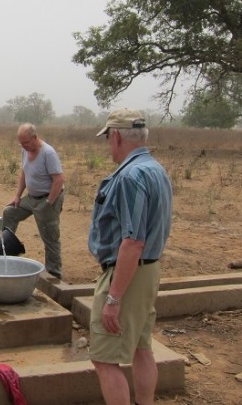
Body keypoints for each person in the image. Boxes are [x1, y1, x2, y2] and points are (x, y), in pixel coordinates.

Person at [88, 109, 173, 405]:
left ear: (117, 136)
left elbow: (133, 241)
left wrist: (113, 298)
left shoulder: (130, 176)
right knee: (141, 347)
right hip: (149, 271)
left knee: (104, 360)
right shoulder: (155, 169)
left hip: (128, 273)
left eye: (108, 138)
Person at [2, 123, 65, 279]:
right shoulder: (25, 151)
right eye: (21, 143)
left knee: (49, 235)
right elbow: (24, 174)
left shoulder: (48, 153)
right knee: (9, 213)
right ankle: (6, 253)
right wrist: (17, 196)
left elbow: (59, 179)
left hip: (49, 198)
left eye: (26, 143)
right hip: (31, 198)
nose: (23, 146)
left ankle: (54, 274)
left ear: (35, 137)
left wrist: (49, 203)